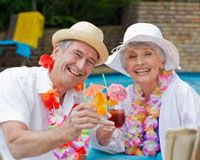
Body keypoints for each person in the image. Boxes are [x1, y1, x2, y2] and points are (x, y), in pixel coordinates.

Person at [0, 21, 111, 159]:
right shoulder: (15, 80)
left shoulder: (80, 95)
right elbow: (16, 147)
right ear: (57, 52)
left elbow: (80, 149)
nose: (81, 66)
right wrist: (68, 131)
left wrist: (104, 131)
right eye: (77, 54)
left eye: (90, 62)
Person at [90, 23, 200, 159]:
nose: (139, 62)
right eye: (132, 56)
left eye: (147, 54)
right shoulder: (126, 95)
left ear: (162, 61)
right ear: (126, 66)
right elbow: (115, 143)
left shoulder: (182, 93)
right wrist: (104, 133)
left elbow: (196, 144)